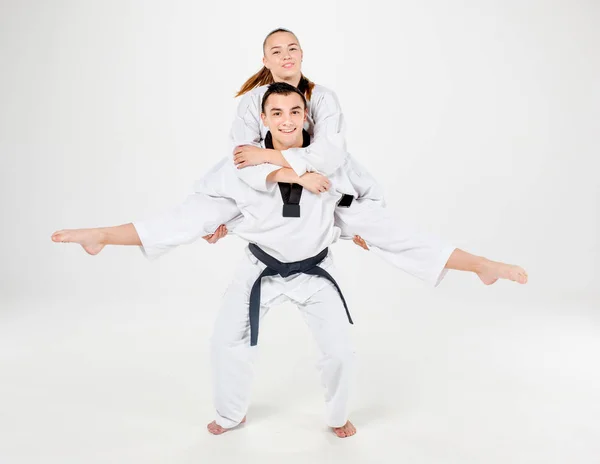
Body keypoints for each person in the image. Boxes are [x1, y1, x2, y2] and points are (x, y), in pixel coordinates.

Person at [51, 83, 528, 439]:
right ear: (262, 117)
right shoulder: (243, 167)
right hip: (260, 268)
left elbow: (385, 223)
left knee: (342, 349)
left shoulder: (331, 164)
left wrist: (358, 229)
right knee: (223, 341)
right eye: (276, 112)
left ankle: (340, 414)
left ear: (307, 115)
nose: (286, 119)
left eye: (295, 110)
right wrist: (107, 235)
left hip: (316, 271)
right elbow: (185, 218)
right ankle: (230, 413)